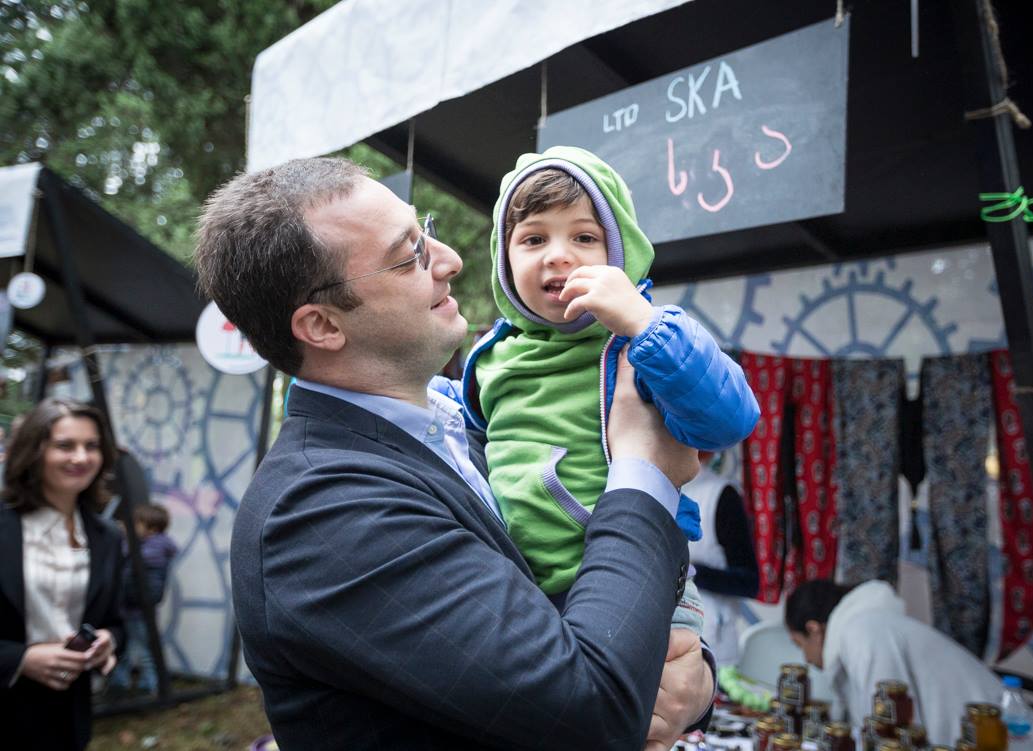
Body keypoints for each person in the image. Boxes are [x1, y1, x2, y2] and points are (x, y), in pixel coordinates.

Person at [195, 156, 716, 750]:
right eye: (410, 255)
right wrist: (644, 471)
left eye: (427, 232)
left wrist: (693, 682)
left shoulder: (463, 431)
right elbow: (588, 706)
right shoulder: (321, 513)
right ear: (322, 325)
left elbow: (598, 627)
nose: (450, 261)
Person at [461, 147, 760, 638]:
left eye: (584, 237)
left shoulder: (640, 345)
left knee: (664, 689)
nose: (559, 255)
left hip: (643, 584)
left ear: (620, 253)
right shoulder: (492, 358)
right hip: (528, 594)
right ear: (504, 262)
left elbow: (731, 420)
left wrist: (644, 324)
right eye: (533, 239)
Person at [785, 579, 1033, 747]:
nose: (807, 659)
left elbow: (888, 730)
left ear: (814, 630)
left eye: (800, 645)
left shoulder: (863, 632)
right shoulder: (865, 629)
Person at [0, 398, 127, 750]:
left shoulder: (107, 537)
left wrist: (108, 641)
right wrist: (20, 659)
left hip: (68, 716)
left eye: (91, 446)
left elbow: (116, 622)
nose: (81, 457)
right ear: (34, 451)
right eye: (65, 445)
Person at [683, 454, 758, 666]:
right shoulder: (646, 490)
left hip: (711, 638)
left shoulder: (720, 495)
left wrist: (692, 572)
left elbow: (749, 582)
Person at [108, 503, 178, 695]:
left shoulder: (154, 548)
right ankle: (120, 682)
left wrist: (124, 539)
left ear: (152, 529)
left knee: (144, 649)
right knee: (125, 646)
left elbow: (131, 558)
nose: (130, 527)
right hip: (131, 607)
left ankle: (150, 684)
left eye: (135, 524)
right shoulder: (144, 545)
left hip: (139, 610)